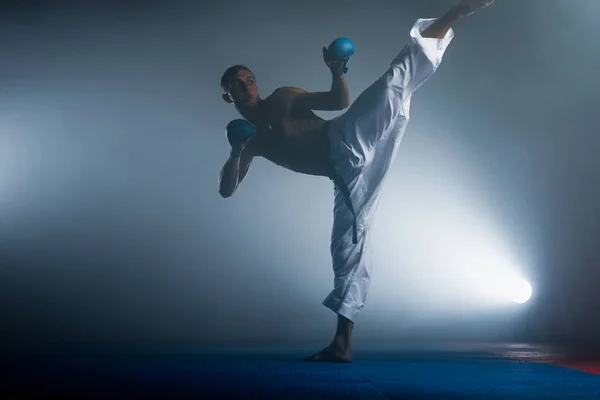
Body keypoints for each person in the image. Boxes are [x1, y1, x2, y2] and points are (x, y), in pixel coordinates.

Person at [218, 0, 496, 362]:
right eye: (237, 86)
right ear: (228, 96)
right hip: (346, 174)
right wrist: (236, 151)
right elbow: (226, 190)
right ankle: (342, 344)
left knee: (395, 82)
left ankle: (458, 12)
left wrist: (337, 71)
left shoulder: (283, 98)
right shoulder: (249, 141)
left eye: (249, 79)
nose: (246, 86)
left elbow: (338, 100)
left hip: (347, 136)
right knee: (347, 248)